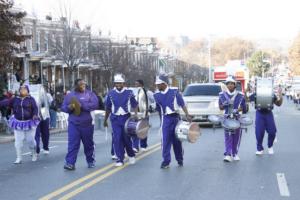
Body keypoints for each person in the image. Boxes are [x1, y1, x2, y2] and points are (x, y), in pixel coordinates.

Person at [154, 73, 192, 169]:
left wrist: (187, 114)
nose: (157, 86)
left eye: (159, 84)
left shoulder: (174, 92)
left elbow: (182, 104)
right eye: (157, 84)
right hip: (165, 119)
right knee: (165, 140)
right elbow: (159, 109)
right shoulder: (156, 95)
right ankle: (166, 161)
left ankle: (180, 159)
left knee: (177, 141)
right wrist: (161, 122)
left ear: (164, 83)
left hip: (176, 118)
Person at [61, 79, 99, 170]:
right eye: (81, 84)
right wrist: (69, 107)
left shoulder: (90, 94)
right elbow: (63, 107)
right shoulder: (70, 95)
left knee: (88, 144)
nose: (83, 85)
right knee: (73, 144)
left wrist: (82, 105)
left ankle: (90, 161)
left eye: (84, 84)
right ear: (76, 85)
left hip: (87, 124)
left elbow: (95, 104)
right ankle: (70, 163)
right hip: (74, 124)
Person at [103, 74, 138, 167]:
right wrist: (105, 119)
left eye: (120, 83)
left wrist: (135, 115)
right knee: (117, 139)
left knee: (126, 138)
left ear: (123, 83)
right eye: (116, 83)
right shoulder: (110, 93)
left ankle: (131, 155)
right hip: (115, 118)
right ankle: (120, 159)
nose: (118, 85)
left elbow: (135, 105)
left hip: (126, 117)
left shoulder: (129, 92)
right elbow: (108, 108)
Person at [0, 84, 39, 164]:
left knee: (30, 140)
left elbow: (35, 108)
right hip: (18, 122)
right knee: (18, 141)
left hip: (29, 122)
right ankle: (19, 157)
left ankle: (33, 153)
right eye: (21, 89)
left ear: (28, 91)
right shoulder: (15, 99)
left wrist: (35, 115)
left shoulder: (31, 99)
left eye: (24, 89)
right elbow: (6, 102)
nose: (23, 91)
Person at [219, 76, 247, 162]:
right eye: (228, 84)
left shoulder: (241, 95)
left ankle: (234, 153)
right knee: (227, 136)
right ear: (226, 85)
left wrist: (237, 110)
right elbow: (221, 108)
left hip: (236, 117)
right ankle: (228, 154)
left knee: (236, 136)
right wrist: (224, 104)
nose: (230, 85)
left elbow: (244, 108)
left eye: (232, 83)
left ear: (235, 85)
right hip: (227, 117)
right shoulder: (222, 95)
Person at [250, 82, 283, 155]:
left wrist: (280, 94)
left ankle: (270, 146)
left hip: (268, 113)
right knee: (259, 133)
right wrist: (247, 91)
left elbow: (279, 104)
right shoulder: (256, 94)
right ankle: (259, 149)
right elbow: (247, 100)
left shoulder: (271, 94)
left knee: (272, 132)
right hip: (259, 113)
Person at [132, 79, 149, 152]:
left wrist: (146, 112)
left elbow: (150, 101)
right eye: (135, 84)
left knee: (143, 130)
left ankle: (143, 145)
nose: (136, 85)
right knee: (135, 130)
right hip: (136, 114)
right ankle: (135, 146)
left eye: (137, 84)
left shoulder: (146, 92)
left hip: (144, 114)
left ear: (141, 84)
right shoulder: (134, 92)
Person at [34, 86, 51, 155]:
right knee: (36, 133)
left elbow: (50, 103)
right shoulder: (32, 95)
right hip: (36, 116)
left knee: (45, 133)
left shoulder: (48, 95)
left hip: (45, 115)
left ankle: (45, 147)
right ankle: (36, 149)